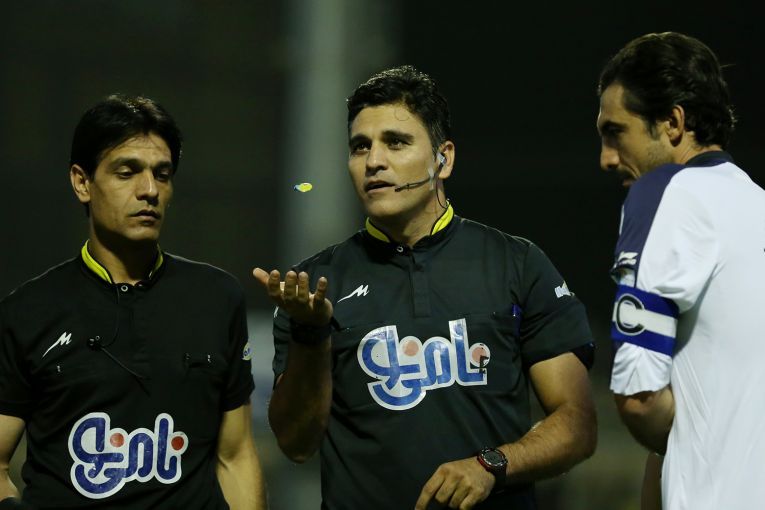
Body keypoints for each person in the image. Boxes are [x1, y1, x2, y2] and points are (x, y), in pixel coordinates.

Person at [254, 65, 597, 509]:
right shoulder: (315, 286)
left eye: (396, 142)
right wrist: (311, 332)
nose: (373, 162)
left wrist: (490, 465)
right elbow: (296, 444)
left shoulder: (516, 264)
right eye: (360, 146)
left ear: (443, 159)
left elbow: (577, 424)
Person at [0, 94, 266, 509]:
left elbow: (235, 457)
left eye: (162, 174)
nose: (150, 190)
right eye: (127, 173)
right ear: (82, 182)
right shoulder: (28, 311)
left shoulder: (216, 297)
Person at [597, 31, 765, 509]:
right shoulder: (756, 204)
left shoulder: (663, 192)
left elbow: (639, 395)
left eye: (616, 132)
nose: (606, 158)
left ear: (672, 123)